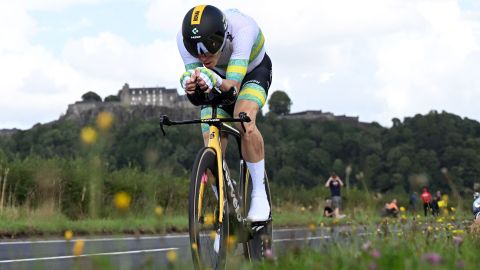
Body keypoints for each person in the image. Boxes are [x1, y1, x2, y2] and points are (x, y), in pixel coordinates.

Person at [177, 5, 272, 222]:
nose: (203, 56)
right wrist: (191, 87)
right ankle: (225, 211)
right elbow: (198, 98)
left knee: (243, 118)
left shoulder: (243, 29)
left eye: (210, 47)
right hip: (217, 77)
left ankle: (259, 194)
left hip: (251, 72)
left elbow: (233, 89)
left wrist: (215, 80)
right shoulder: (183, 40)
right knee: (210, 141)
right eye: (196, 51)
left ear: (222, 37)